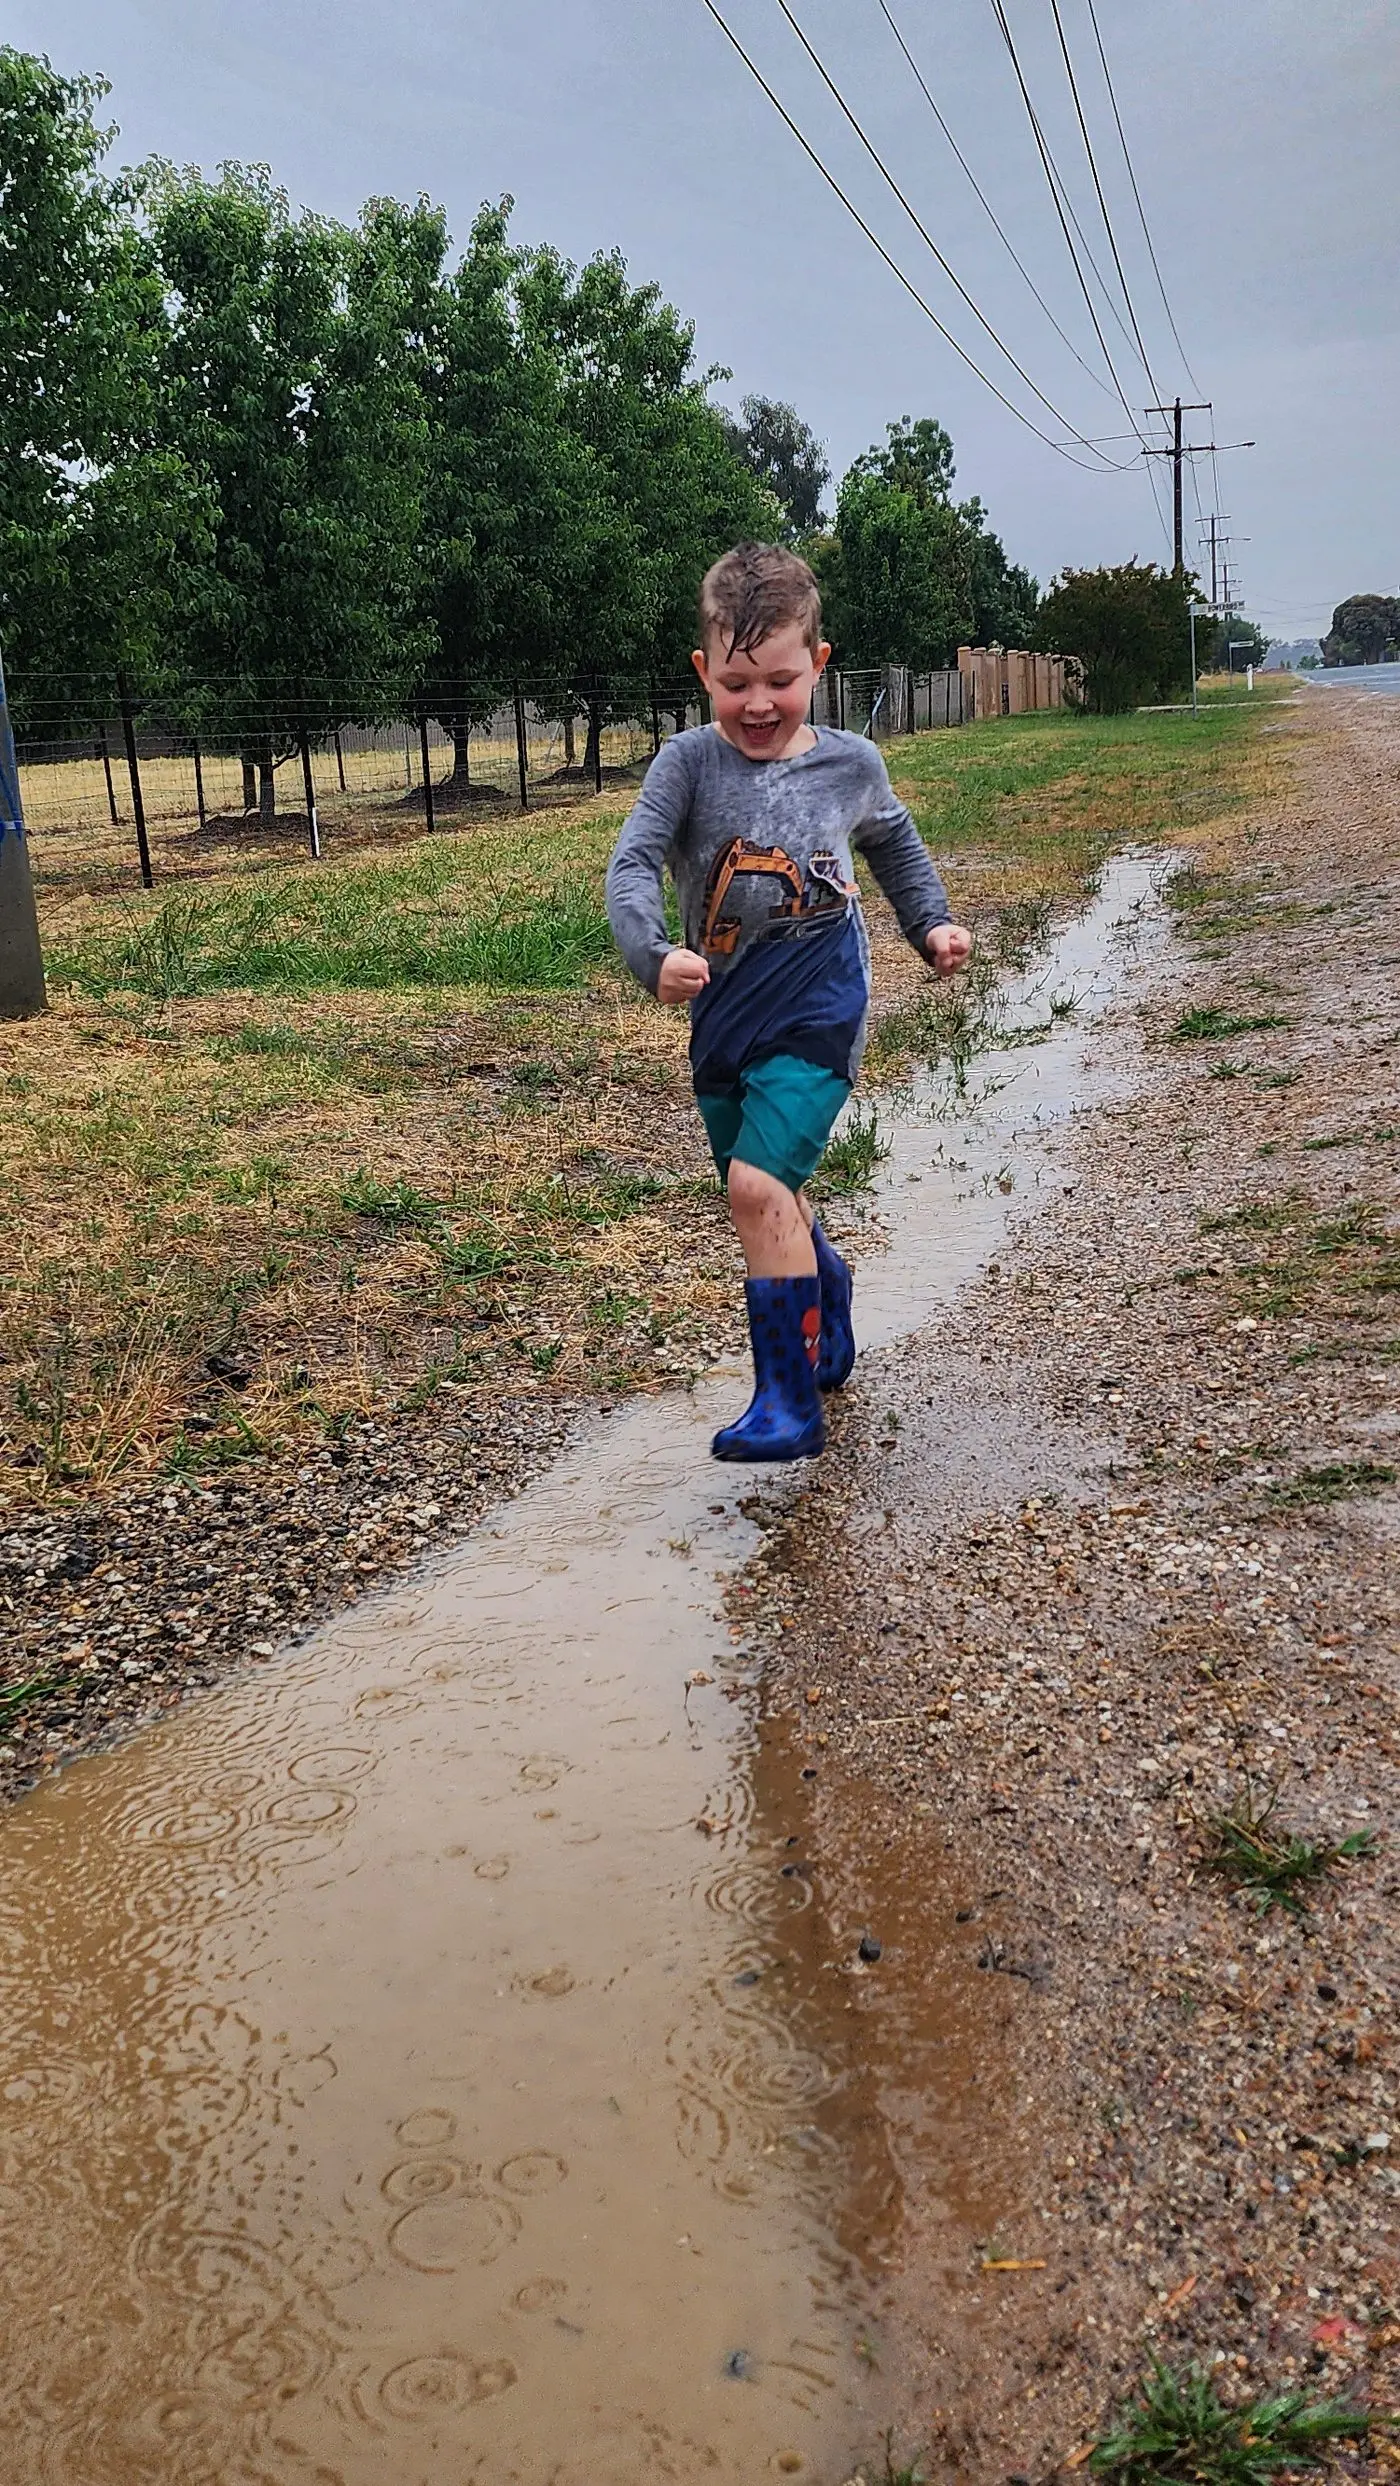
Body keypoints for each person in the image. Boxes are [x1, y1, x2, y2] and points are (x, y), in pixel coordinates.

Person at [605, 540, 971, 1463]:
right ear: (704, 672)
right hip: (723, 1012)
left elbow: (895, 847)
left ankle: (786, 1399)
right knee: (770, 1195)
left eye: (779, 679)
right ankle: (825, 1285)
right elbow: (632, 863)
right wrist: (652, 954)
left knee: (756, 1186)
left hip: (821, 1001)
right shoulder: (685, 766)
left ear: (818, 663)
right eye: (736, 684)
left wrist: (931, 927)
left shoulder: (852, 765)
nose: (758, 704)